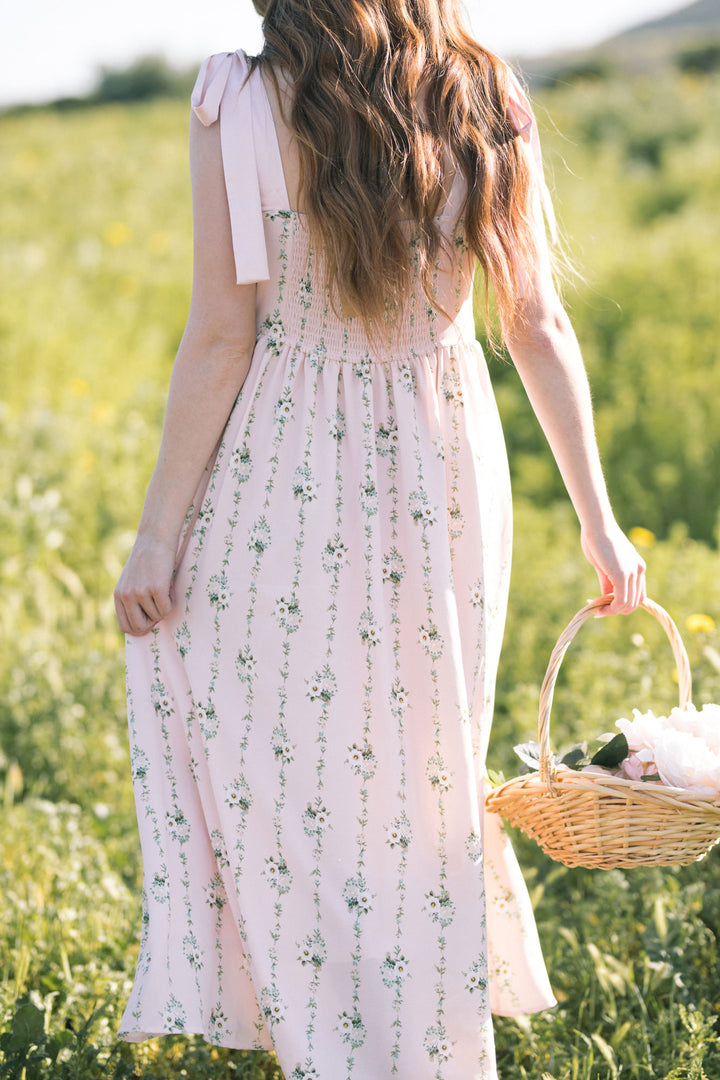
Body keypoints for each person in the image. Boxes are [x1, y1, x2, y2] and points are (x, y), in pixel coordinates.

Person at [114, 1, 647, 1076]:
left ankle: (325, 1042)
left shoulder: (238, 100)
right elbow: (535, 319)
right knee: (422, 782)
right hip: (442, 466)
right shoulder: (485, 91)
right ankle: (419, 1046)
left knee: (290, 780)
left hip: (282, 462)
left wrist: (157, 536)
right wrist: (600, 521)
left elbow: (224, 333)